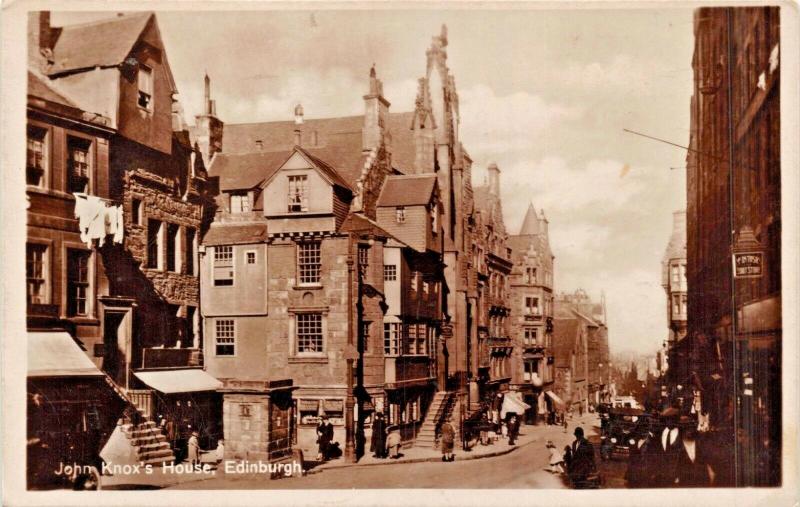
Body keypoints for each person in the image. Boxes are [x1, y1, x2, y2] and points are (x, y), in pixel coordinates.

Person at [674, 417, 713, 487]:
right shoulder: (675, 447)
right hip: (685, 486)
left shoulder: (701, 443)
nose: (689, 431)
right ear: (681, 430)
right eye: (685, 428)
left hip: (703, 484)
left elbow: (709, 463)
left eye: (691, 427)